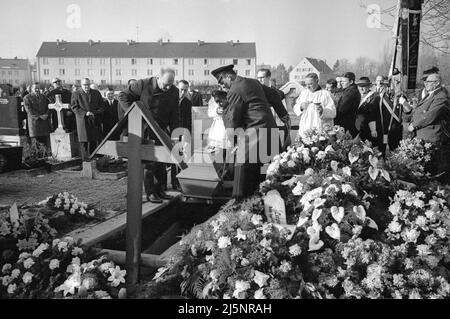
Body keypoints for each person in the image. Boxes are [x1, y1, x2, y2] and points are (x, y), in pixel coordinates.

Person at [211, 64, 277, 200]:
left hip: (256, 130)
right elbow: (273, 95)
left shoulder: (235, 90)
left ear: (229, 76)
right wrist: (283, 114)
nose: (223, 86)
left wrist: (234, 143)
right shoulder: (253, 82)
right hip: (270, 129)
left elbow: (232, 120)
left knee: (241, 164)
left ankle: (238, 202)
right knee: (260, 168)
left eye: (223, 82)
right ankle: (258, 198)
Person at [118, 68, 180, 203]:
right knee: (149, 162)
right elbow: (123, 96)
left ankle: (160, 190)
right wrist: (134, 114)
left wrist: (175, 135)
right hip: (144, 128)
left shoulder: (174, 91)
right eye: (165, 84)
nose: (168, 88)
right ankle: (150, 192)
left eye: (171, 84)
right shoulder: (143, 85)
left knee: (162, 161)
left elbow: (175, 114)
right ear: (158, 77)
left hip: (162, 129)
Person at [408, 73, 450, 183]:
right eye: (425, 81)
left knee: (430, 172)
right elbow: (418, 111)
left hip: (430, 138)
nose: (425, 83)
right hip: (422, 137)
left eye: (429, 82)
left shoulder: (441, 96)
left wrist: (414, 124)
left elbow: (430, 115)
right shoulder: (430, 94)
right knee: (421, 170)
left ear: (437, 83)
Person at [70, 78, 105, 161]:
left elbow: (102, 106)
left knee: (94, 140)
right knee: (84, 142)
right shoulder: (76, 94)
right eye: (85, 85)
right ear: (81, 85)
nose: (87, 86)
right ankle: (85, 161)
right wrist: (85, 113)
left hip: (94, 120)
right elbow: (74, 107)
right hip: (83, 121)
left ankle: (94, 159)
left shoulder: (96, 93)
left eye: (88, 84)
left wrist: (95, 112)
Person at [257, 68, 291, 150]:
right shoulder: (255, 92)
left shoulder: (277, 93)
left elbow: (284, 112)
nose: (259, 80)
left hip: (274, 126)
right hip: (259, 127)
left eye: (262, 77)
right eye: (258, 78)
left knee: (275, 152)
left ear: (268, 77)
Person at [293, 73, 336, 139]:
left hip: (321, 127)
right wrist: (301, 107)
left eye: (310, 84)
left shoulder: (325, 94)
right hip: (306, 127)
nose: (308, 86)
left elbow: (333, 112)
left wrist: (322, 111)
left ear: (317, 81)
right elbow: (296, 107)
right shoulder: (304, 93)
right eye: (306, 84)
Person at [23, 83, 51, 148]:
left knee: (45, 143)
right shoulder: (27, 98)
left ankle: (45, 155)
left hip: (44, 123)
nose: (37, 90)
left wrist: (46, 114)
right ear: (31, 89)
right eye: (35, 88)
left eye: (38, 88)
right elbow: (29, 110)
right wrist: (39, 116)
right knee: (36, 144)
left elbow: (48, 107)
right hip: (34, 124)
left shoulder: (44, 97)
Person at [354, 77, 379, 147]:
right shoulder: (358, 96)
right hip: (359, 128)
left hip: (368, 128)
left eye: (363, 86)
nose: (361, 88)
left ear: (368, 86)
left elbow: (372, 114)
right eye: (359, 86)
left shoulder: (373, 97)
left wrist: (373, 130)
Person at [335, 72, 361, 137]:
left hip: (346, 122)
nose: (342, 83)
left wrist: (334, 116)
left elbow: (342, 108)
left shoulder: (350, 92)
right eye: (341, 81)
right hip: (348, 121)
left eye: (344, 81)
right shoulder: (348, 90)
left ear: (351, 81)